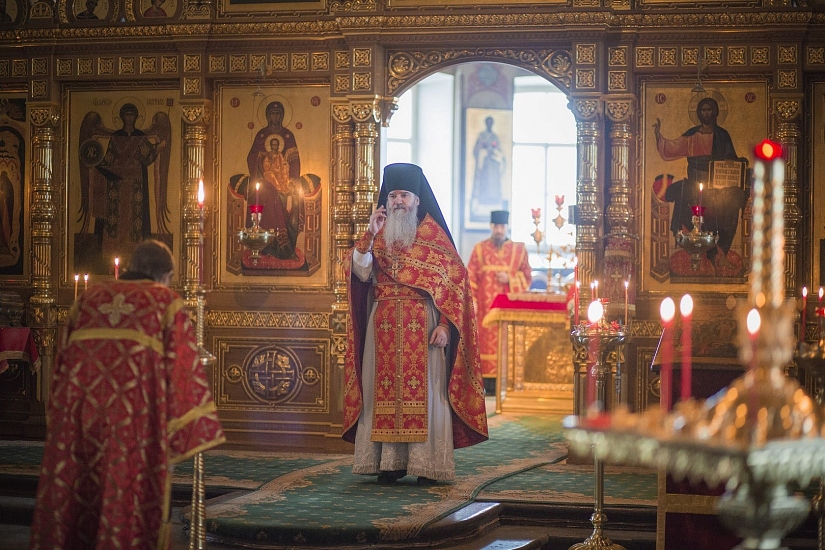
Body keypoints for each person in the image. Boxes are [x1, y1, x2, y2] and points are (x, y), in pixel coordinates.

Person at [30, 240, 225, 550]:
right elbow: (182, 376)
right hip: (133, 426)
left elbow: (61, 365)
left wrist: (60, 421)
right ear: (165, 275)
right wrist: (182, 435)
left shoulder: (88, 298)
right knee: (123, 504)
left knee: (76, 499)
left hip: (80, 421)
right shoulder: (166, 302)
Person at [342, 163, 488, 486]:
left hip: (424, 329)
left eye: (404, 195)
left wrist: (446, 327)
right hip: (382, 331)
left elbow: (456, 284)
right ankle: (388, 463)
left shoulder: (434, 237)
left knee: (429, 397)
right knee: (383, 396)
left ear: (417, 199)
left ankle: (426, 464)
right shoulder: (378, 234)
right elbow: (360, 273)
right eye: (392, 195)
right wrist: (369, 232)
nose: (397, 201)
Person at [653, 97, 750, 272]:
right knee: (683, 194)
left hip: (718, 185)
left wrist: (737, 163)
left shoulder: (722, 135)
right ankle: (696, 249)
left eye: (709, 110)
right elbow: (673, 147)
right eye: (703, 110)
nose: (706, 113)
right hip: (696, 182)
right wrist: (659, 136)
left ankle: (721, 254)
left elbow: (732, 160)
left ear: (715, 113)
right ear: (699, 113)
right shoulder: (692, 135)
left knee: (733, 202)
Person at [467, 210, 531, 389]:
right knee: (484, 344)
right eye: (496, 226)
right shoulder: (480, 249)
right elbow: (470, 276)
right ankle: (486, 383)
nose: (499, 230)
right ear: (491, 226)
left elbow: (527, 278)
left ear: (507, 227)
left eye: (502, 226)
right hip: (485, 310)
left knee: (506, 343)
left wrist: (510, 278)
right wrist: (472, 300)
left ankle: (506, 382)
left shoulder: (519, 250)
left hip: (507, 310)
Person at [245, 100, 305, 261]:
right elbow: (252, 157)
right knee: (266, 196)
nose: (275, 117)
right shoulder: (261, 135)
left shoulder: (288, 136)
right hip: (265, 182)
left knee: (295, 201)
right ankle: (264, 245)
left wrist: (291, 181)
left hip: (284, 182)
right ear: (267, 116)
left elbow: (294, 162)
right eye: (272, 113)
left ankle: (286, 246)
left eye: (278, 113)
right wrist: (261, 157)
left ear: (282, 115)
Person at [471, 116, 506, 212]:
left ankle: (493, 200)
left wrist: (494, 152)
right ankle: (482, 200)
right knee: (484, 181)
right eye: (488, 122)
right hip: (484, 164)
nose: (489, 124)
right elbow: (476, 150)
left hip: (493, 165)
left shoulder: (494, 136)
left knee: (493, 183)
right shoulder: (481, 135)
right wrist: (483, 151)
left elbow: (499, 151)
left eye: (491, 123)